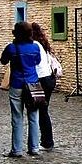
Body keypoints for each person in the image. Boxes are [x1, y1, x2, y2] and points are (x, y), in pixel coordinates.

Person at [0, 21, 42, 157]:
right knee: (33, 116)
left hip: (17, 84)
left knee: (17, 117)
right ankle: (34, 147)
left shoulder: (12, 48)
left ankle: (17, 150)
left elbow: (3, 61)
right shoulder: (35, 48)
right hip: (33, 84)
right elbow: (37, 61)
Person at [32, 22, 56, 151]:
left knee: (42, 111)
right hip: (48, 79)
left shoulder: (35, 45)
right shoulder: (43, 44)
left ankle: (47, 141)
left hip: (41, 80)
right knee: (43, 110)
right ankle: (46, 140)